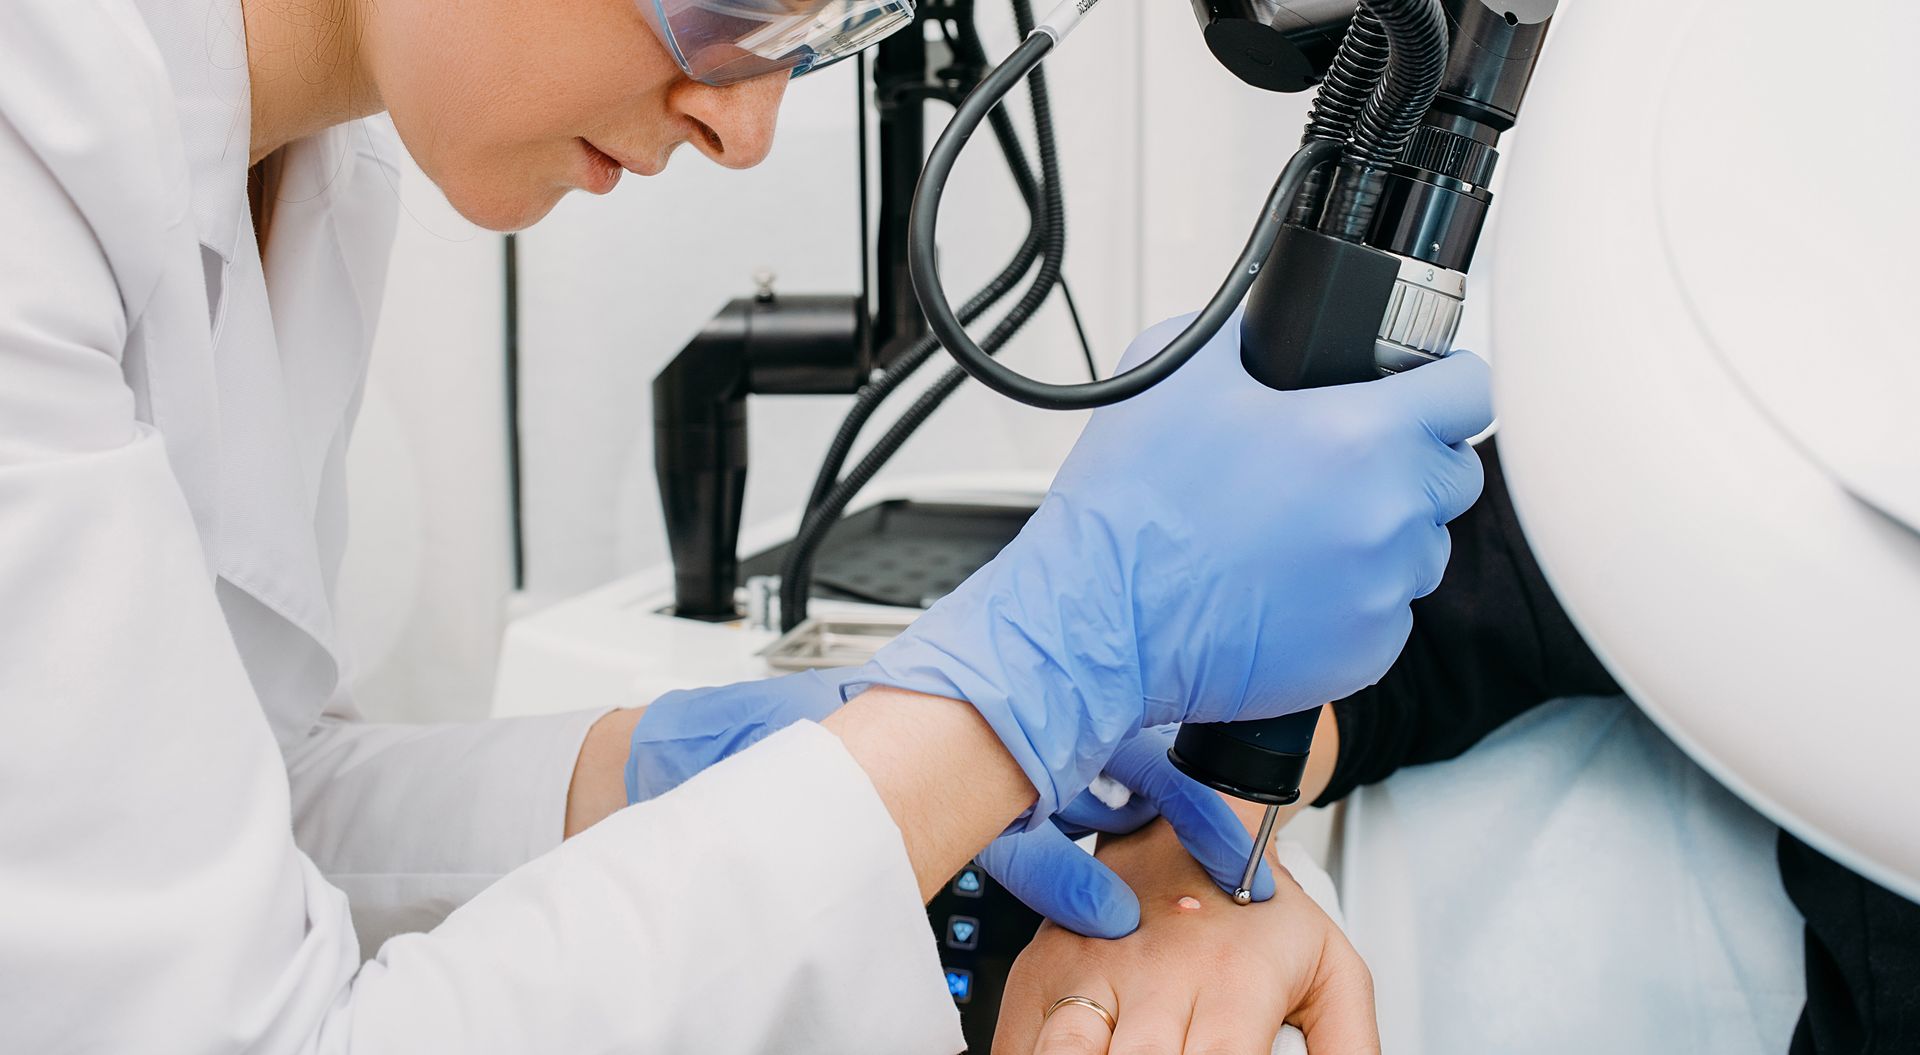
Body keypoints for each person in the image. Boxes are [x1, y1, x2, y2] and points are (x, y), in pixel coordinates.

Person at [0, 0, 1494, 1051]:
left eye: (818, 28)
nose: (746, 124)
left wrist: (648, 774)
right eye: (725, 8)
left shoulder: (310, 169)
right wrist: (1011, 691)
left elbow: (238, 820)